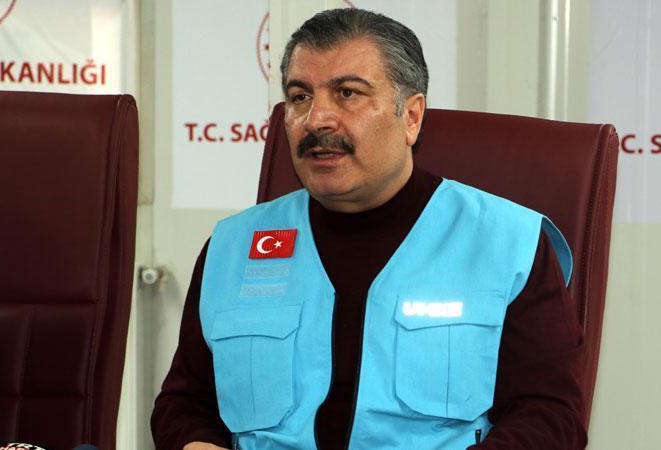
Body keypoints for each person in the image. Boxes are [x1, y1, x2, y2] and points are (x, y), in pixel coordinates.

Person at [153, 8, 586, 450]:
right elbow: (185, 404)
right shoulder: (233, 248)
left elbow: (550, 416)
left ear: (411, 116)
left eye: (347, 93)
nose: (317, 119)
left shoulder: (508, 243)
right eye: (300, 96)